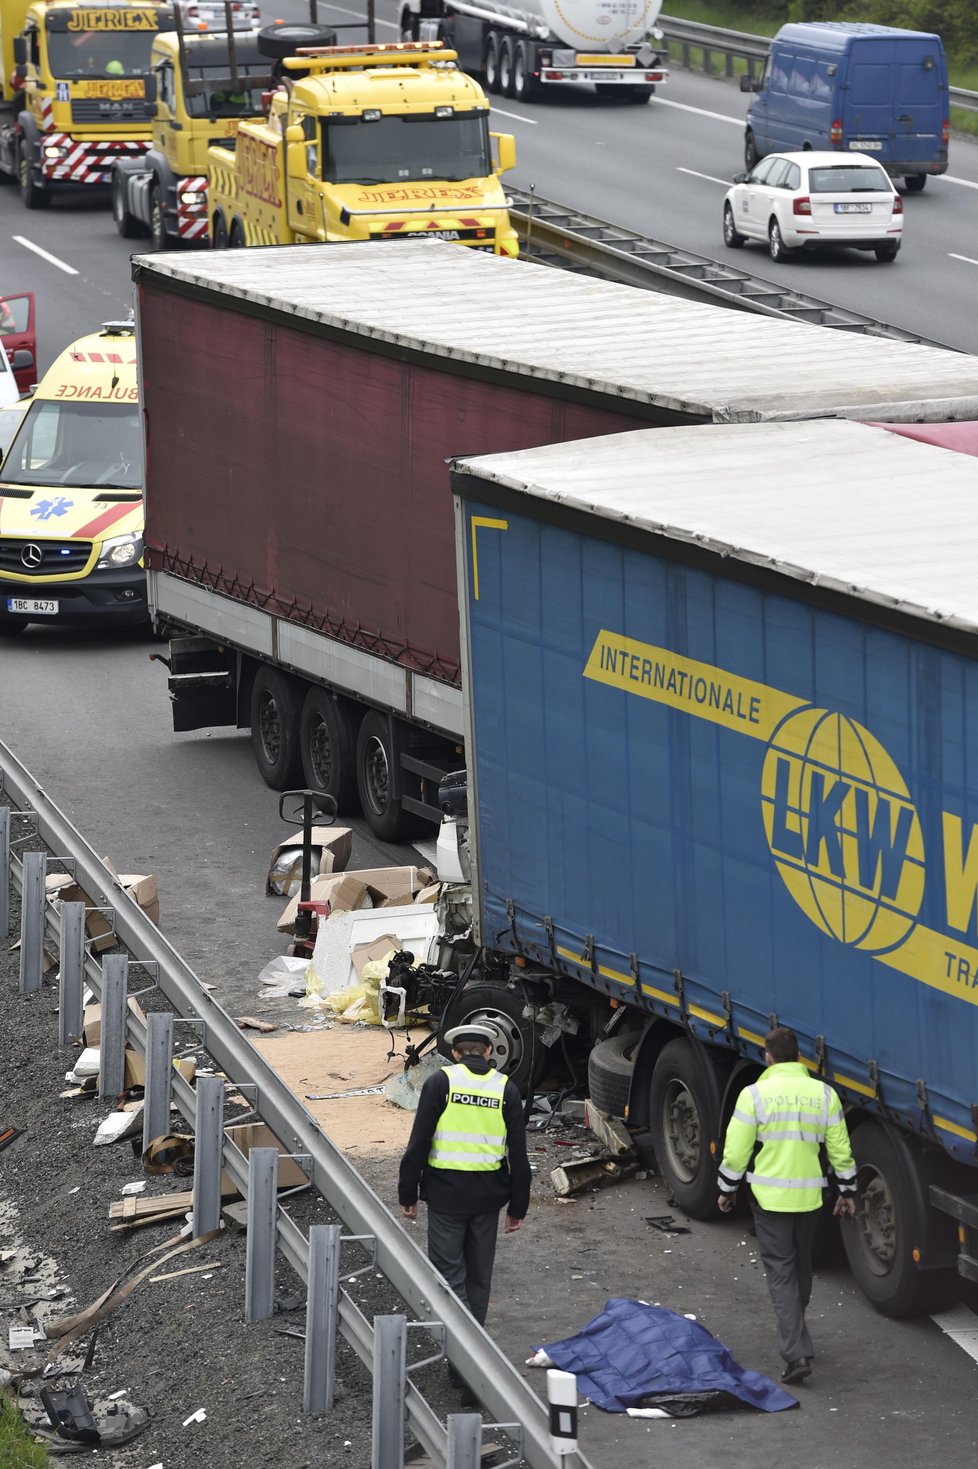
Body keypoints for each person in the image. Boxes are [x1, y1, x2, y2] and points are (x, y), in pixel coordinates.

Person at [716, 1025, 857, 1386]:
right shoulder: (824, 1095)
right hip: (810, 1198)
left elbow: (736, 1150)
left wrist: (727, 1188)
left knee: (781, 1273)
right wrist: (847, 1191)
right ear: (799, 1056)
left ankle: (796, 1355)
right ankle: (798, 1332)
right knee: (801, 1267)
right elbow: (840, 1149)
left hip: (770, 1199)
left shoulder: (755, 1095)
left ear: (768, 1057)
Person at [398, 1023, 531, 1402]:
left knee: (449, 1280)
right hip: (488, 1201)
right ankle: (470, 1365)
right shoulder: (506, 1088)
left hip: (445, 1199)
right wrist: (518, 1205)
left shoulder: (440, 1083)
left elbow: (419, 1141)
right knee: (477, 1281)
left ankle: (466, 1365)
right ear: (489, 1051)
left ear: (456, 1052)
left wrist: (408, 1192)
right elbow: (519, 1156)